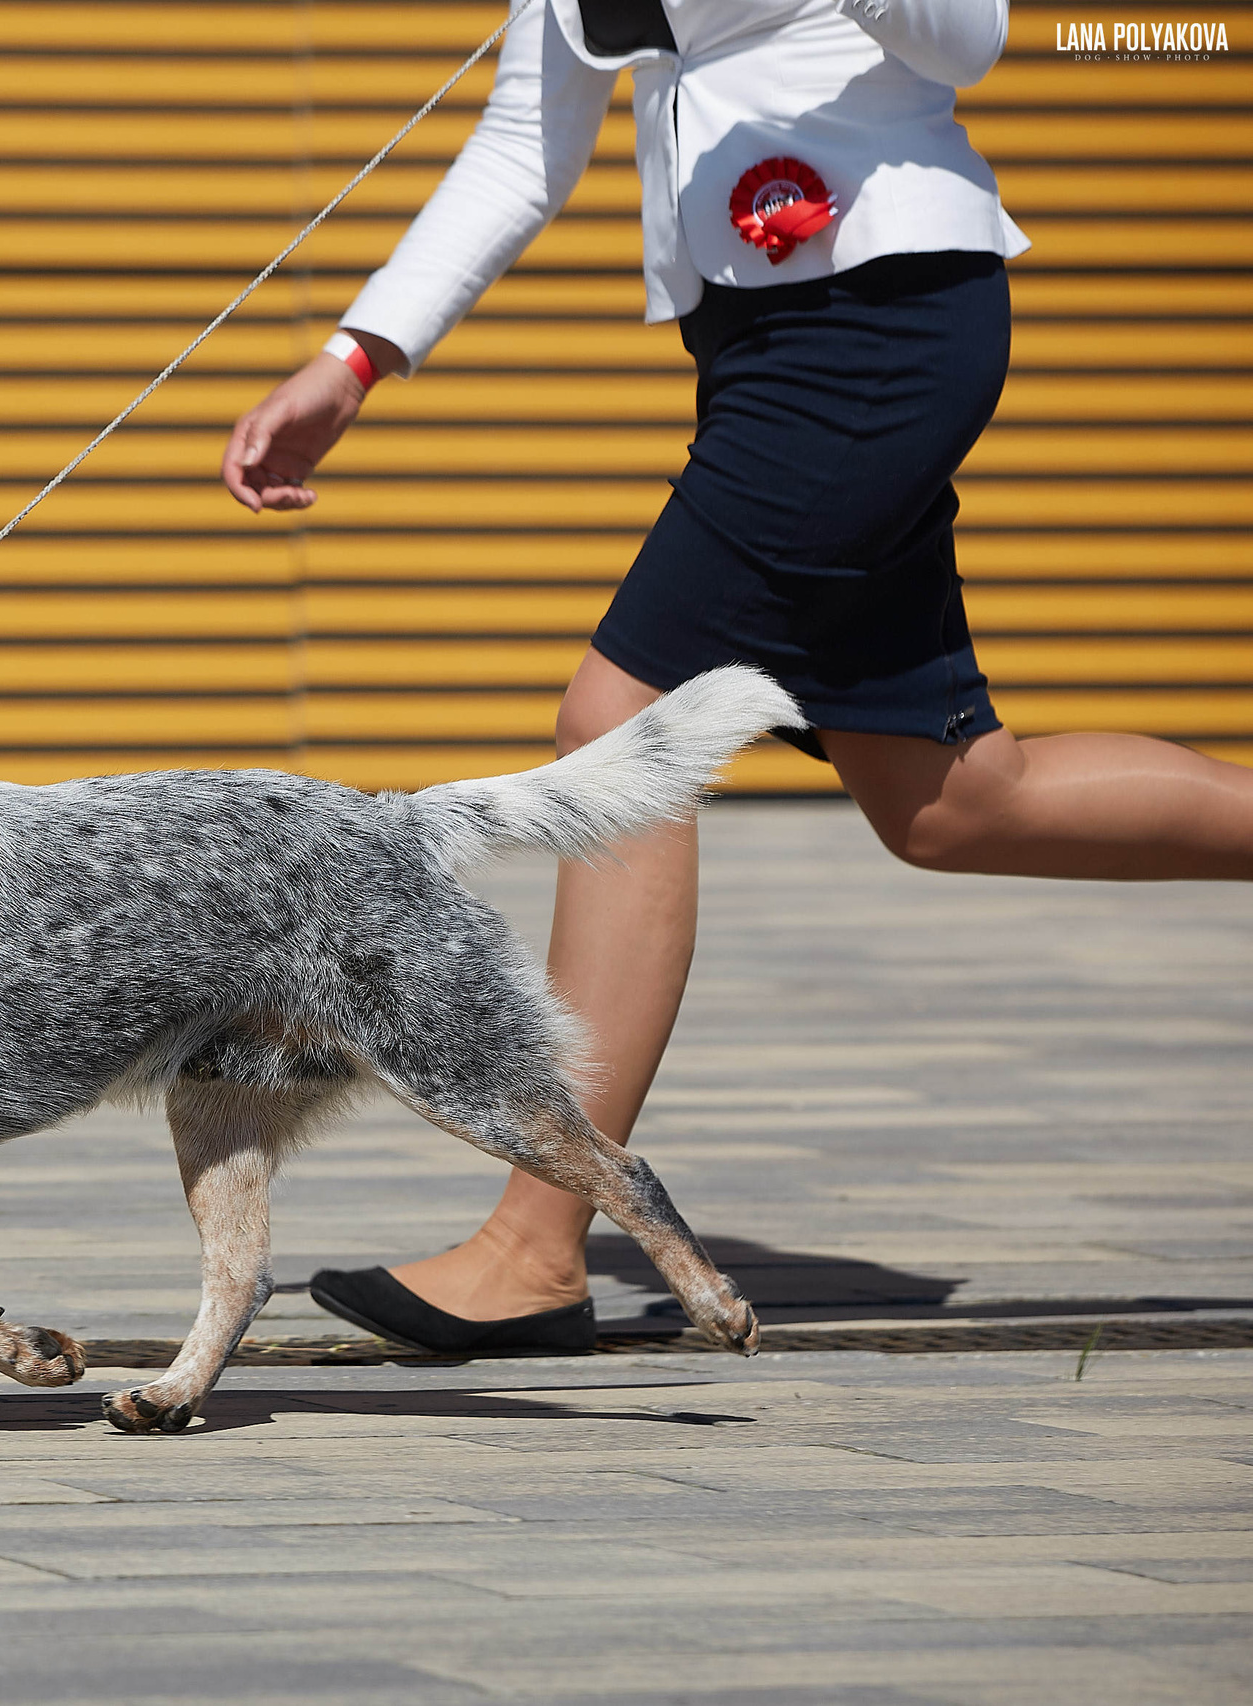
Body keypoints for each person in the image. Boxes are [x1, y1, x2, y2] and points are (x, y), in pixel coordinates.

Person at [224, 0, 1253, 1354]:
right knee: (949, 800)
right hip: (759, 346)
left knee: (623, 721)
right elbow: (529, 139)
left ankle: (537, 1245)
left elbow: (971, 41)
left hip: (881, 325)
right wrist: (358, 357)